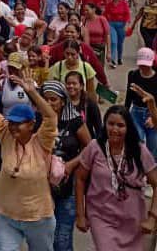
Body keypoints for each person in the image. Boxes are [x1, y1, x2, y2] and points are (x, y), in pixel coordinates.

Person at [0, 61, 58, 251]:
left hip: (38, 217)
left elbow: (50, 118)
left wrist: (32, 92)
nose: (14, 126)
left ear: (31, 125)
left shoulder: (42, 142)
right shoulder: (6, 136)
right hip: (7, 216)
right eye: (12, 122)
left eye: (19, 123)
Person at [75, 105, 157, 249]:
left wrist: (152, 217)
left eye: (120, 125)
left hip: (132, 220)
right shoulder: (95, 147)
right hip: (100, 216)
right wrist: (81, 215)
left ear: (128, 127)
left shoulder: (139, 151)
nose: (114, 129)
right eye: (111, 124)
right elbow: (80, 179)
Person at [41, 80, 91, 251]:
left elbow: (90, 147)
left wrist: (71, 164)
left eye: (53, 99)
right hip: (42, 187)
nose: (49, 103)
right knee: (44, 237)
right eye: (45, 99)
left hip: (67, 187)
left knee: (62, 239)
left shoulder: (74, 121)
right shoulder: (37, 120)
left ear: (63, 101)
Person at [124, 47, 157, 159]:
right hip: (136, 112)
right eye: (141, 64)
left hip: (152, 113)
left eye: (146, 65)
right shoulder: (133, 75)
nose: (143, 68)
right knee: (138, 142)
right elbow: (129, 97)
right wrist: (125, 113)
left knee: (153, 147)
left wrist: (153, 118)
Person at [65, 70, 102, 138]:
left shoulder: (90, 104)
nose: (71, 86)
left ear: (81, 86)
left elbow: (98, 127)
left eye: (74, 83)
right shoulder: (62, 103)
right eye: (68, 83)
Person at [105, 0, 131, 67]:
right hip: (111, 24)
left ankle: (119, 57)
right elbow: (105, 15)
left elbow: (127, 15)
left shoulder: (124, 4)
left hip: (121, 25)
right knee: (113, 41)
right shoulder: (109, 4)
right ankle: (113, 60)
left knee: (120, 43)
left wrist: (127, 24)